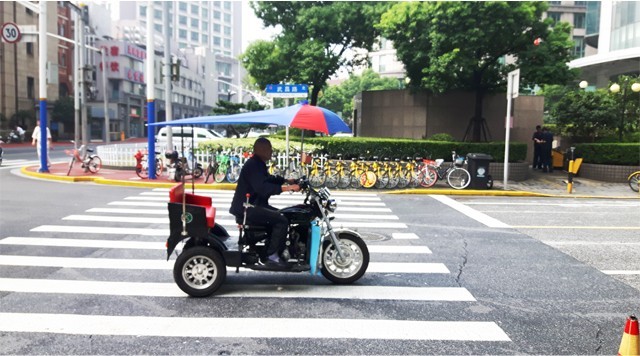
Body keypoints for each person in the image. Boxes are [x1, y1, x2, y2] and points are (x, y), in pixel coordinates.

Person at [229, 137, 301, 267]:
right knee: (281, 220)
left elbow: (268, 179)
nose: (271, 151)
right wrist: (288, 188)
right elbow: (262, 188)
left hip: (253, 205)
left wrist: (286, 180)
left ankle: (276, 248)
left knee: (284, 214)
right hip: (247, 208)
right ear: (260, 149)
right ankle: (272, 256)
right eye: (269, 149)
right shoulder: (253, 165)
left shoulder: (258, 164)